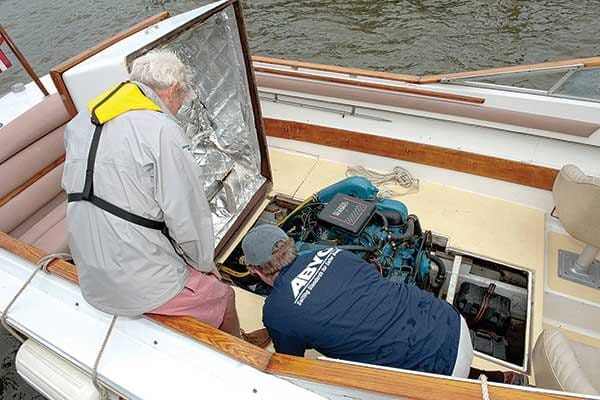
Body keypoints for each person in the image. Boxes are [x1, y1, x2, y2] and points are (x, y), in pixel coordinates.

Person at [62, 49, 240, 336]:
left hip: (91, 275)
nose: (180, 107)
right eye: (183, 98)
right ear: (173, 89)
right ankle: (238, 351)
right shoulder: (161, 130)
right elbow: (186, 217)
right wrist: (206, 265)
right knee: (223, 296)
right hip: (135, 287)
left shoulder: (81, 122)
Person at [241, 224, 474, 377]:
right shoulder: (332, 253)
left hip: (439, 371)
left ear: (255, 270)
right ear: (290, 244)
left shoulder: (276, 311)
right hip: (453, 323)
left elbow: (291, 366)